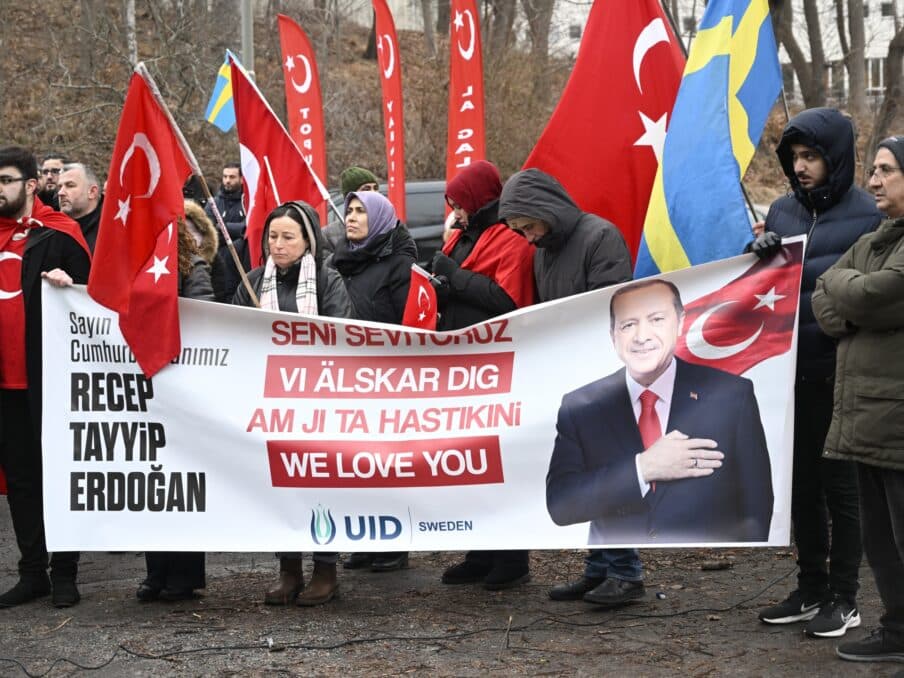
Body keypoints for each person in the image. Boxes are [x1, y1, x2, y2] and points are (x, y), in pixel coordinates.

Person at [752, 108, 881, 639]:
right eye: (795, 158)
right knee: (801, 486)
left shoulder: (869, 215)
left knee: (840, 489)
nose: (801, 168)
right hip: (791, 373)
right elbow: (761, 285)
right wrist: (755, 251)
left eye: (812, 157)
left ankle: (845, 598)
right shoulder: (782, 211)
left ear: (838, 158)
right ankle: (810, 587)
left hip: (843, 373)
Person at [499, 168, 643, 608]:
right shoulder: (544, 252)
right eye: (520, 231)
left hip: (606, 376)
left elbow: (612, 305)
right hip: (572, 381)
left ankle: (626, 572)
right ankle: (599, 568)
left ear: (545, 209)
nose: (527, 237)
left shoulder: (600, 237)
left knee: (612, 476)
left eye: (529, 225)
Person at [546, 278, 774, 544]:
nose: (642, 336)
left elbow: (756, 504)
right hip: (617, 577)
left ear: (679, 322)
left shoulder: (732, 395)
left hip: (704, 573)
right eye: (628, 325)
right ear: (613, 336)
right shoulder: (581, 406)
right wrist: (642, 469)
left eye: (656, 319)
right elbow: (561, 505)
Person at [233, 201, 352, 606]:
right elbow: (232, 336)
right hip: (270, 404)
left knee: (320, 488)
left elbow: (342, 334)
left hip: (318, 403)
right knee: (280, 485)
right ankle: (288, 570)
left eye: (288, 237)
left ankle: (325, 570)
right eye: (272, 237)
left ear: (307, 242)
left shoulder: (327, 280)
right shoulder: (250, 281)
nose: (278, 246)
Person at [812, 135, 904, 664]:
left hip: (897, 421)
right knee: (882, 541)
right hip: (867, 421)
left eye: (887, 170)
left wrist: (853, 296)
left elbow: (872, 295)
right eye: (872, 169)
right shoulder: (877, 238)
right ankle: (898, 630)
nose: (873, 180)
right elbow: (828, 293)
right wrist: (854, 300)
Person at [431, 160, 535, 590]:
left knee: (499, 462)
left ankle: (511, 558)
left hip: (495, 365)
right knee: (471, 465)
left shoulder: (512, 240)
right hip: (461, 364)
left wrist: (454, 278)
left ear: (478, 199)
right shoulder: (460, 235)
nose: (455, 210)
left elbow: (507, 300)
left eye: (460, 202)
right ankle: (479, 550)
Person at [0, 145, 90, 608]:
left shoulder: (59, 232)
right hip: (5, 389)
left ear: (32, 185)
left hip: (50, 383)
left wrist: (70, 286)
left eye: (7, 180)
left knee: (59, 476)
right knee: (20, 482)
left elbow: (95, 299)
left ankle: (66, 572)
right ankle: (32, 571)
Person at [329, 190, 415, 573]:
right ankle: (364, 539)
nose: (351, 218)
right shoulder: (338, 261)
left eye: (361, 212)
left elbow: (410, 323)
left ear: (378, 219)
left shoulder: (399, 265)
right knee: (355, 462)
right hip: (346, 376)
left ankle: (394, 544)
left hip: (386, 376)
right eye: (349, 211)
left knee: (386, 463)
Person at [131, 219, 213, 600]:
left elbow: (208, 313)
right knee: (152, 479)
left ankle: (184, 574)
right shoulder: (130, 265)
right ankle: (156, 571)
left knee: (181, 481)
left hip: (182, 384)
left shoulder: (193, 268)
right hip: (143, 385)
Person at [322, 166, 381, 252]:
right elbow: (326, 263)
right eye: (366, 188)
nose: (374, 193)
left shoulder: (391, 227)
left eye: (375, 188)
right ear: (351, 196)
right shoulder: (328, 235)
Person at [57, 163, 103, 253]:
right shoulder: (51, 229)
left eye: (70, 185)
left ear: (92, 192)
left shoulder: (110, 230)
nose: (60, 193)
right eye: (59, 187)